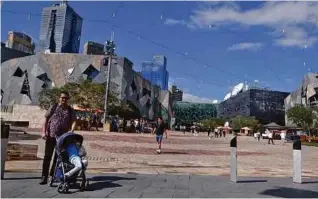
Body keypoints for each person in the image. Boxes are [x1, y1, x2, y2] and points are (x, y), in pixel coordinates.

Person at [39, 91, 76, 185]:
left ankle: (53, 175)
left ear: (68, 99)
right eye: (62, 97)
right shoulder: (54, 107)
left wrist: (71, 131)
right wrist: (43, 132)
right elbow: (46, 119)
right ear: (59, 98)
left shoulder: (70, 110)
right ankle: (44, 176)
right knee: (47, 156)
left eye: (66, 98)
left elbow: (74, 121)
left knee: (58, 157)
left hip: (62, 137)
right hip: (51, 135)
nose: (64, 99)